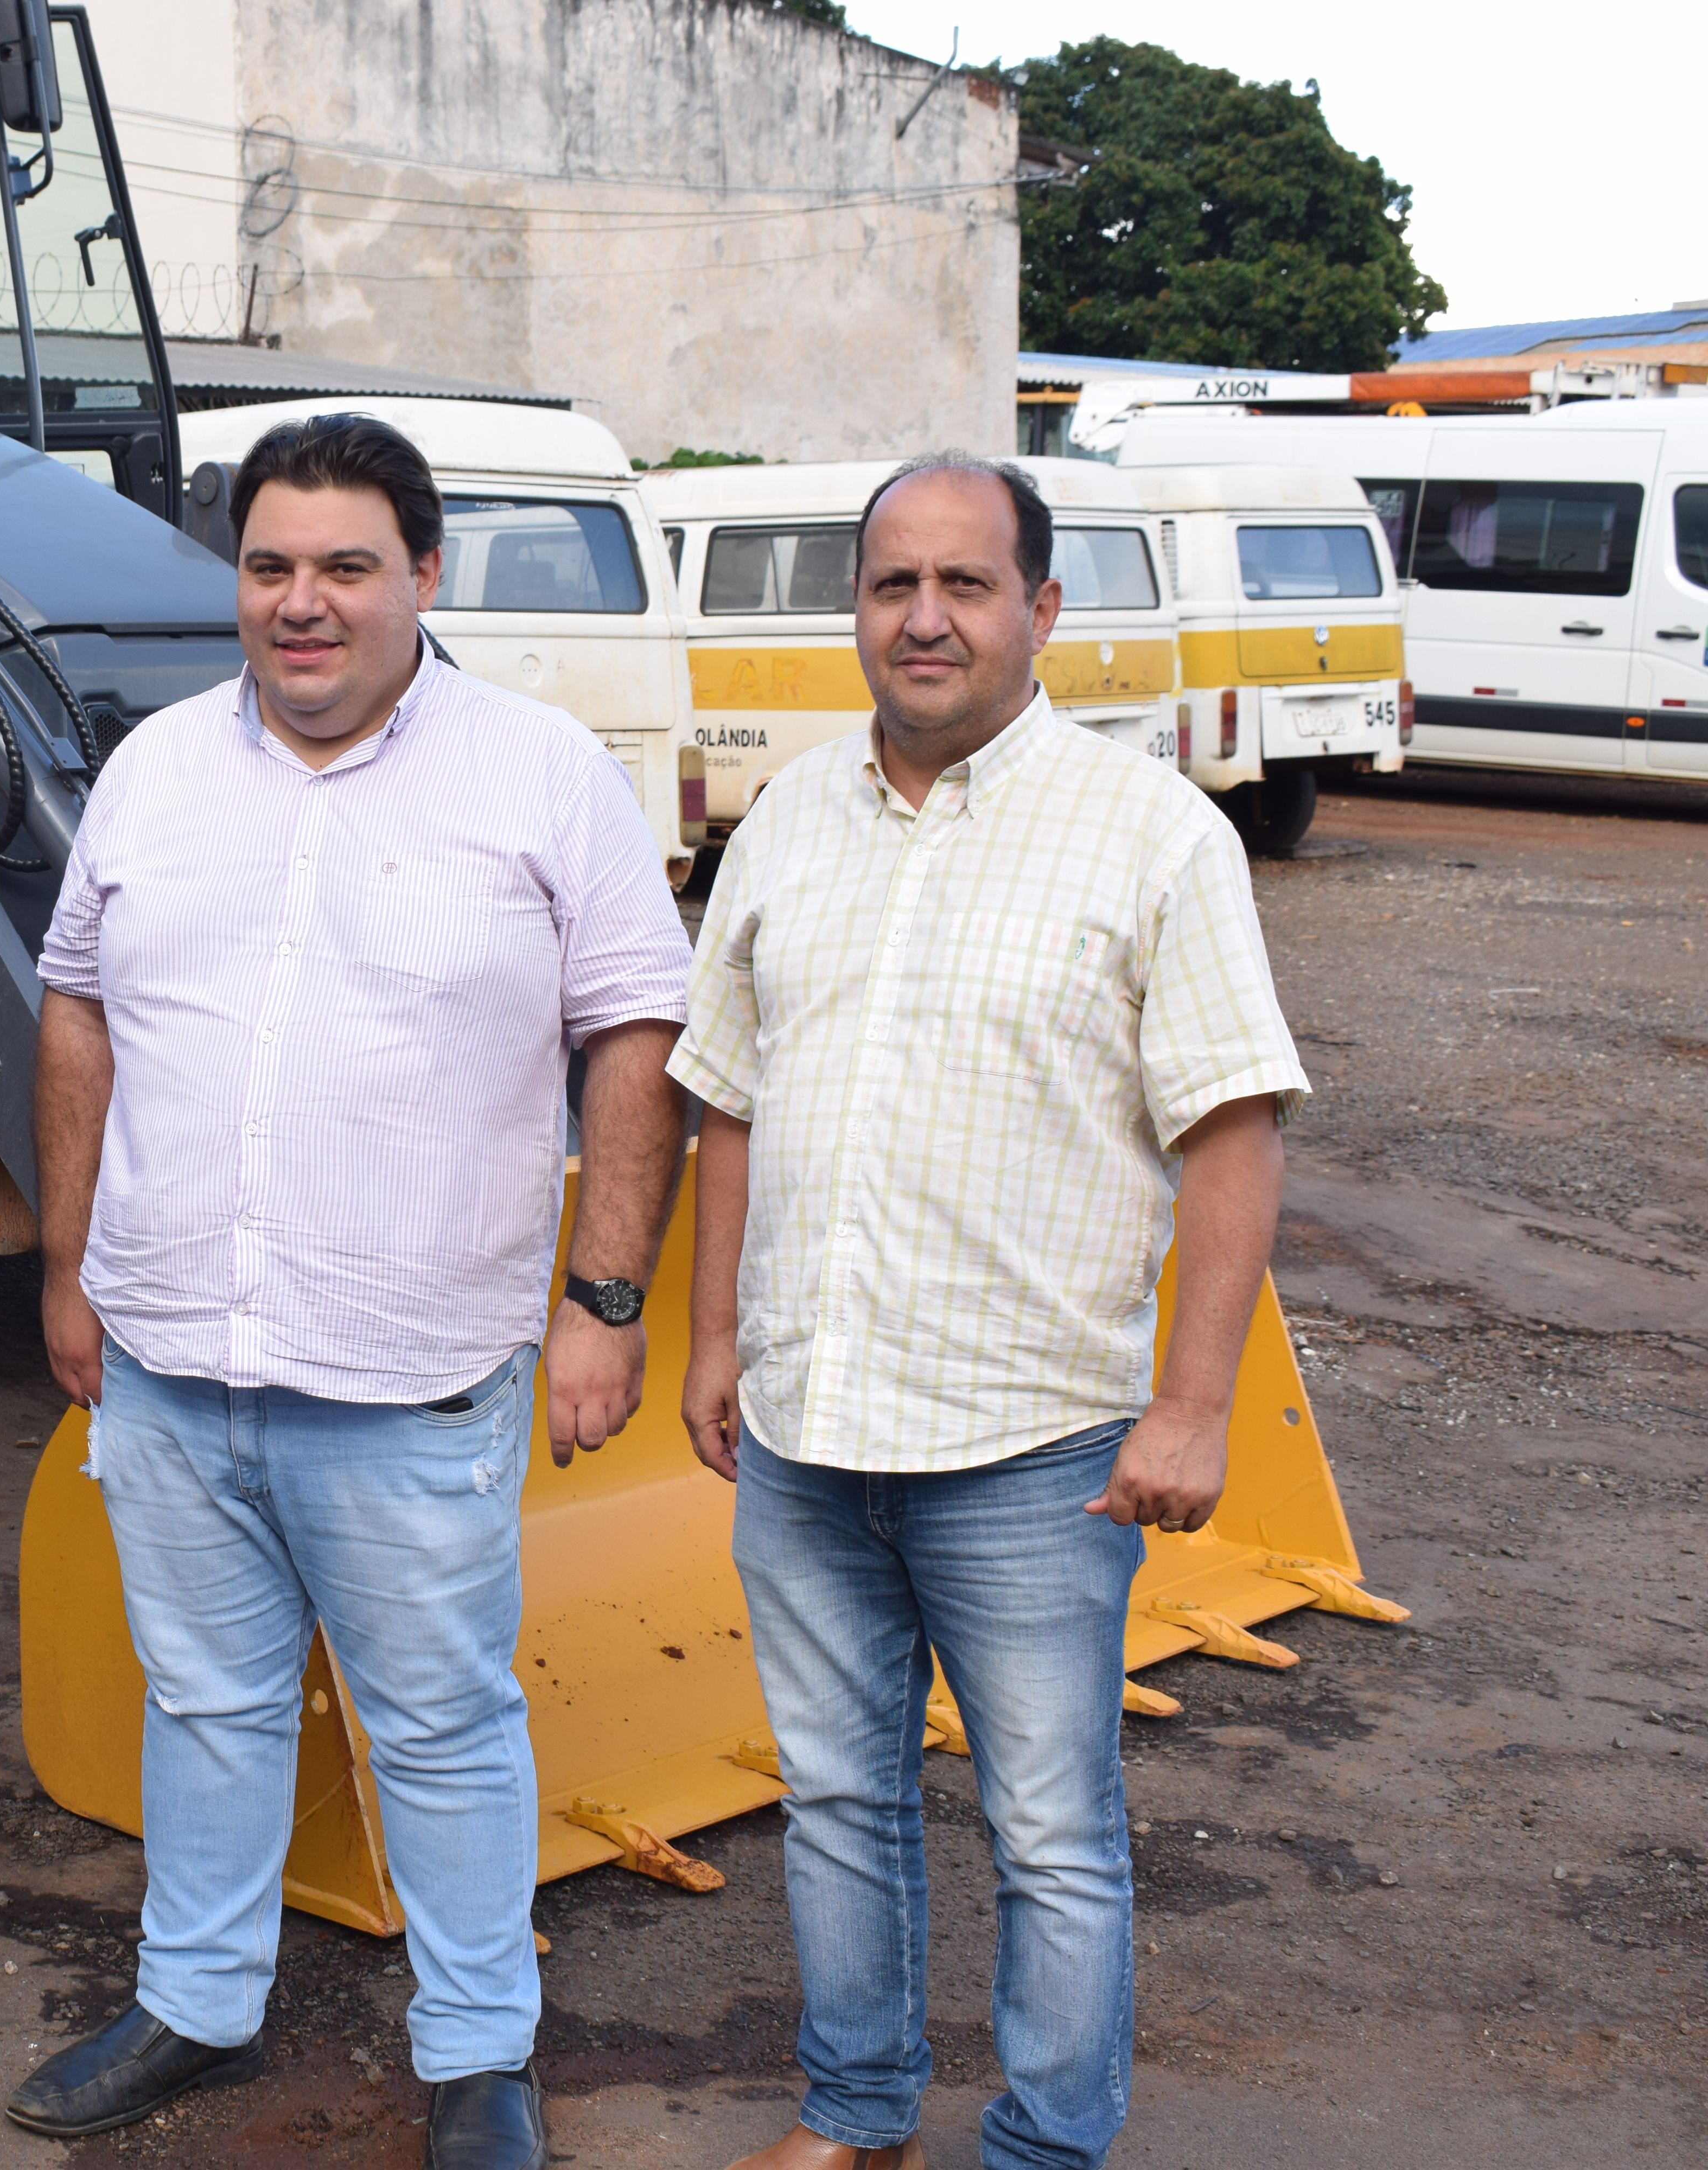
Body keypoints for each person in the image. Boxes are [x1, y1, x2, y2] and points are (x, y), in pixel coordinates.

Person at [15, 413, 693, 2170]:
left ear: (425, 575)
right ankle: (196, 1999)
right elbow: (78, 1004)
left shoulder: (543, 773)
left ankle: (478, 2055)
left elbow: (637, 1030)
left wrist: (607, 1300)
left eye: (344, 567)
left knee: (444, 1728)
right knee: (206, 1706)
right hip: (173, 1361)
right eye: (268, 567)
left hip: (409, 1381)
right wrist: (70, 1265)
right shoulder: (157, 769)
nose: (300, 604)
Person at [672, 454, 1307, 2170]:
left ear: (1042, 608)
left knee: (1051, 1833)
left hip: (1034, 1446)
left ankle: (1046, 2145)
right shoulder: (787, 818)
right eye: (895, 585)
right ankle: (857, 2116)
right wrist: (716, 1338)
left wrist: (1193, 1407)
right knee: (835, 1802)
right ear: (857, 610)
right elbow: (730, 1102)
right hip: (809, 1429)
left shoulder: (1152, 834)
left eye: (966, 584)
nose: (926, 618)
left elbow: (1233, 1133)